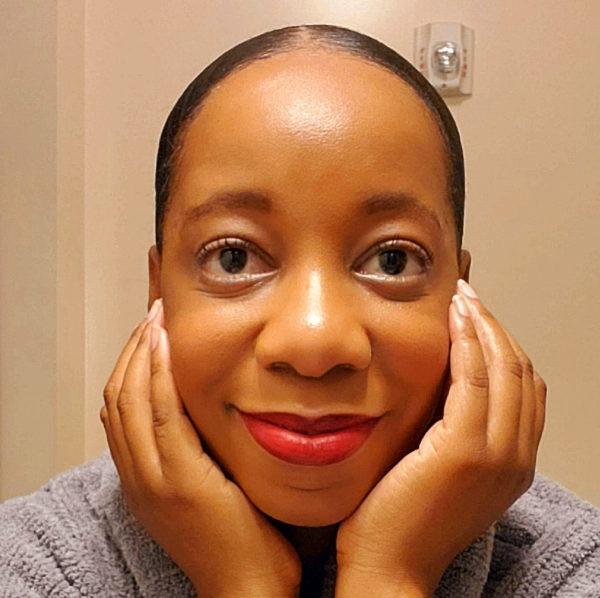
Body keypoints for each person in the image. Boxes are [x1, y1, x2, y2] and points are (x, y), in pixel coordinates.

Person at [1, 24, 599, 598]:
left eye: (392, 260)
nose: (315, 342)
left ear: (461, 296)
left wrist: (389, 575)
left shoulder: (576, 568)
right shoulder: (27, 565)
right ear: (158, 293)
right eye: (234, 257)